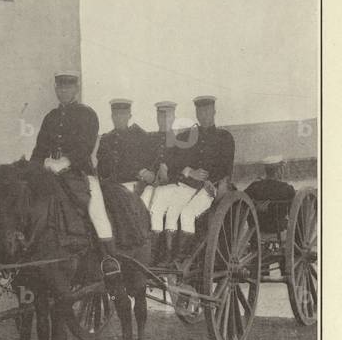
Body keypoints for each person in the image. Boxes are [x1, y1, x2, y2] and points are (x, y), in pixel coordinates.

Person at [31, 71, 115, 255]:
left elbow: (85, 146)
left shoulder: (87, 114)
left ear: (76, 89)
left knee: (97, 213)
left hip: (80, 173)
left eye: (67, 88)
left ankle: (110, 260)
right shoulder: (50, 117)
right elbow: (39, 148)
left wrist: (65, 161)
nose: (63, 92)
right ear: (55, 89)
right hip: (50, 172)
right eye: (60, 88)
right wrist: (36, 166)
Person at [148, 95, 235, 264]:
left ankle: (183, 258)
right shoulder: (186, 137)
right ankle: (167, 256)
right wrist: (188, 171)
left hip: (211, 187)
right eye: (200, 111)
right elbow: (173, 162)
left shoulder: (224, 137)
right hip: (187, 186)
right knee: (167, 211)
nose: (204, 115)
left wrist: (216, 183)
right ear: (196, 112)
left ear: (214, 111)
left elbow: (226, 167)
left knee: (187, 214)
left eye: (207, 110)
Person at [96, 98, 161, 207]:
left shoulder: (139, 135)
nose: (119, 118)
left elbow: (152, 159)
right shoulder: (106, 139)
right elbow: (102, 168)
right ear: (112, 117)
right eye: (116, 115)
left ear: (129, 116)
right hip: (112, 185)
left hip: (134, 183)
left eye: (123, 114)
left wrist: (149, 174)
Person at [244, 156, 296, 233]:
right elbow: (294, 211)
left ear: (266, 170)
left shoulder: (254, 186)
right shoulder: (287, 188)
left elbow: (242, 202)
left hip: (256, 227)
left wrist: (255, 206)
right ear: (279, 170)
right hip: (278, 227)